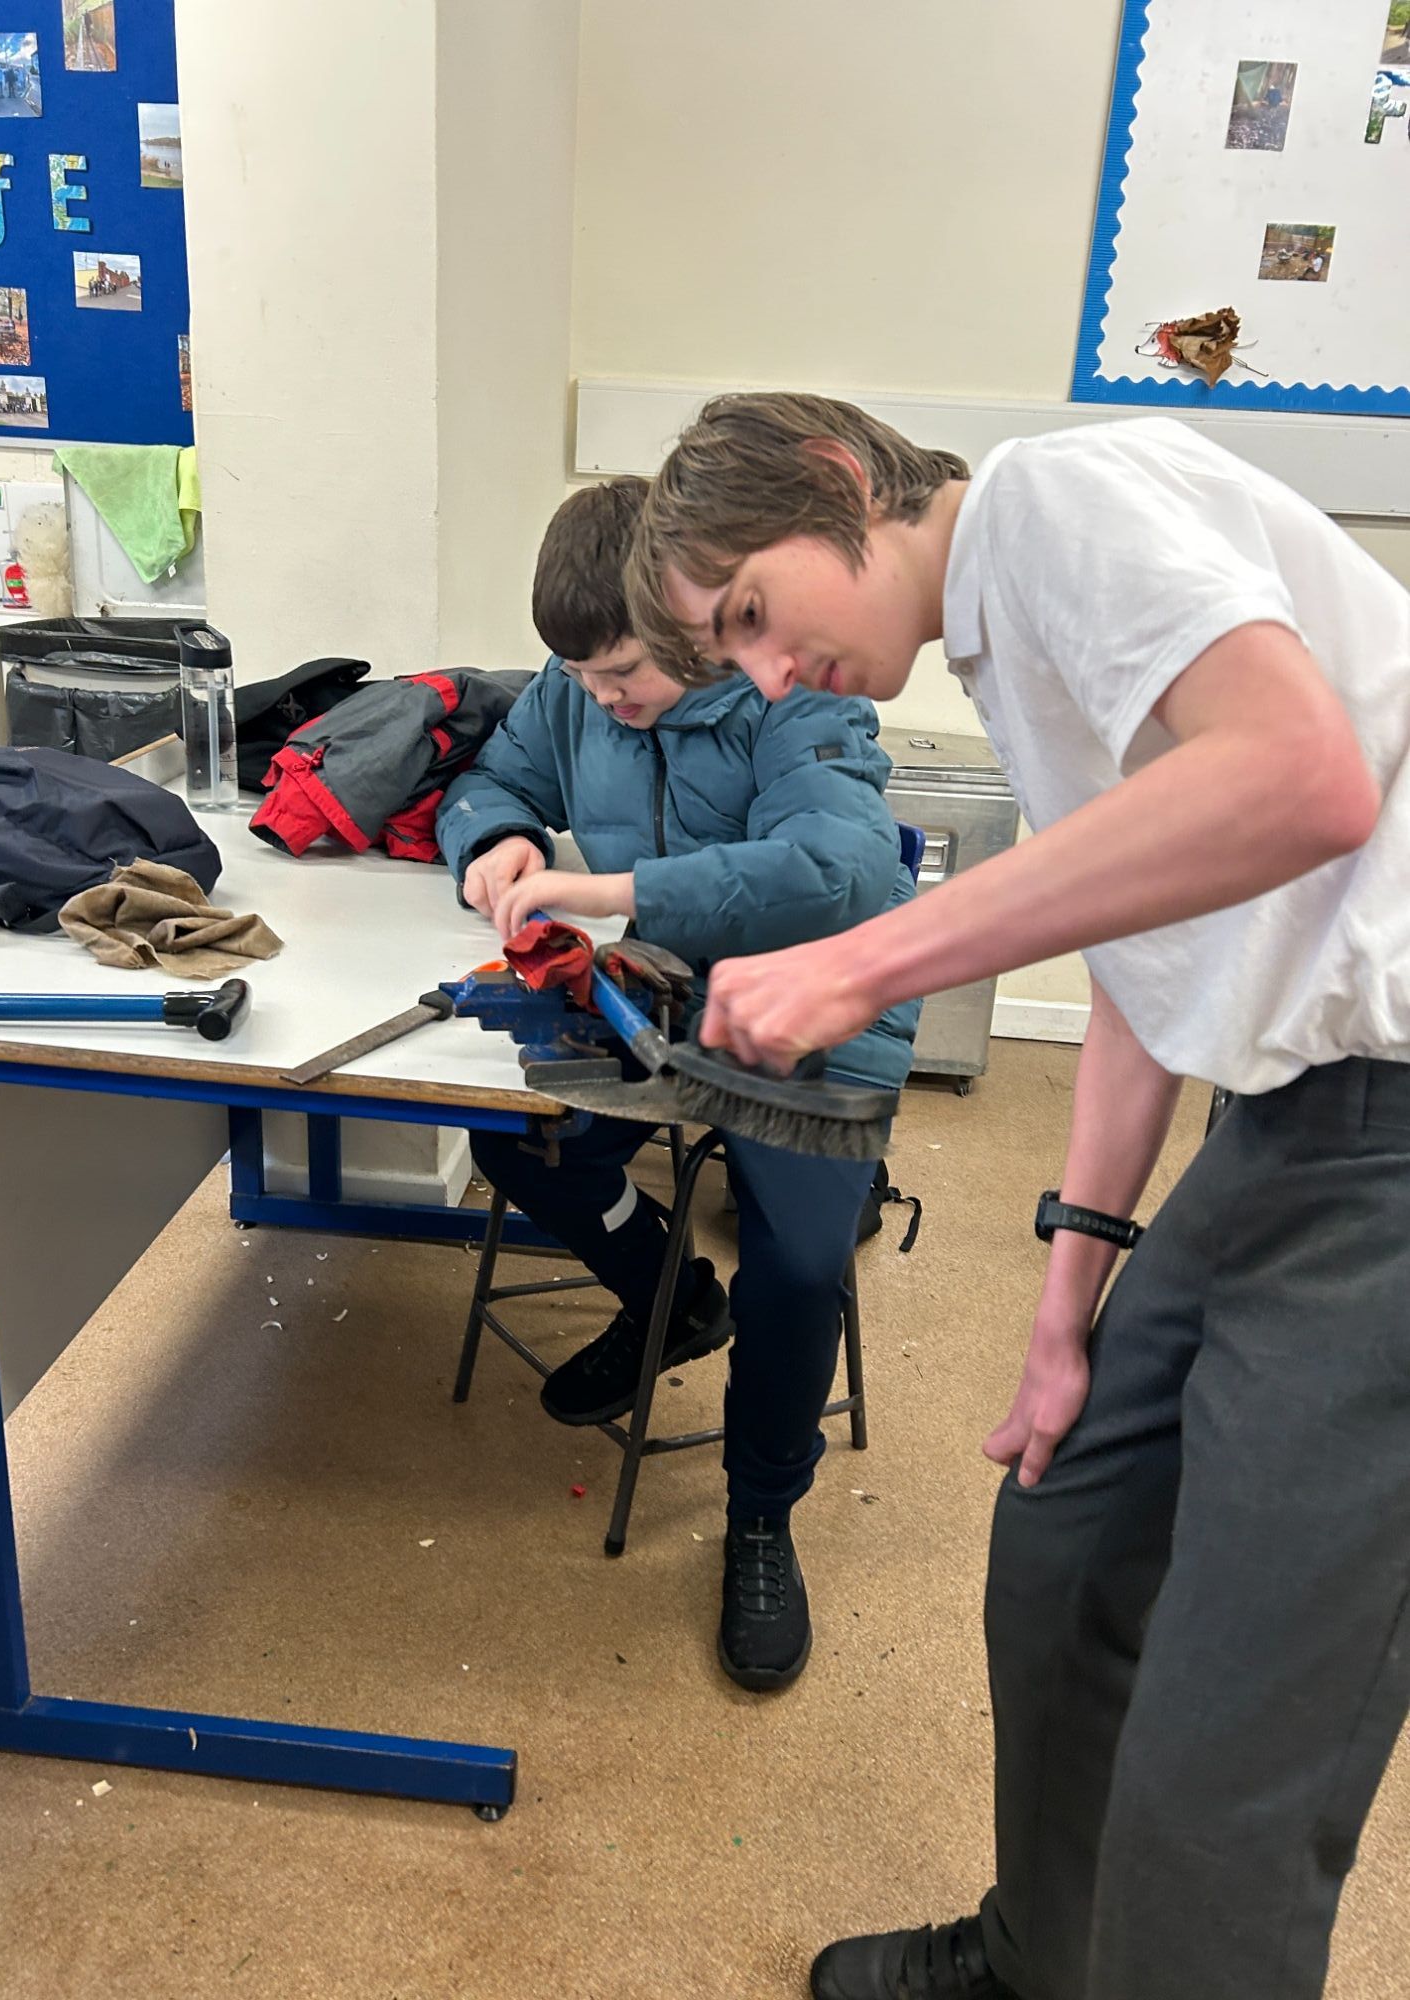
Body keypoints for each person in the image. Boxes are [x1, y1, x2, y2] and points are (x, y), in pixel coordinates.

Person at [624, 392, 1409, 2000]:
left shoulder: (1051, 501)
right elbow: (1151, 959)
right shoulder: (1005, 644)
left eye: (758, 617)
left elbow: (1304, 778)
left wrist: (866, 957)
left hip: (1388, 1143)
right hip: (1283, 1130)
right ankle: (1042, 1958)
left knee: (1225, 1768)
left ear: (840, 482)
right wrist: (1070, 1306)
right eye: (733, 658)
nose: (770, 676)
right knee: (1061, 1550)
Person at [435, 477, 919, 1692]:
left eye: (620, 674)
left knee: (802, 1263)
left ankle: (763, 1513)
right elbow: (496, 777)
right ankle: (670, 1294)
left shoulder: (799, 690)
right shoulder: (575, 686)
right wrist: (491, 838)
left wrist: (610, 894)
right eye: (582, 678)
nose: (599, 701)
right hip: (654, 993)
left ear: (692, 619)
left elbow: (839, 868)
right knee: (518, 1142)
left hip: (819, 1014)